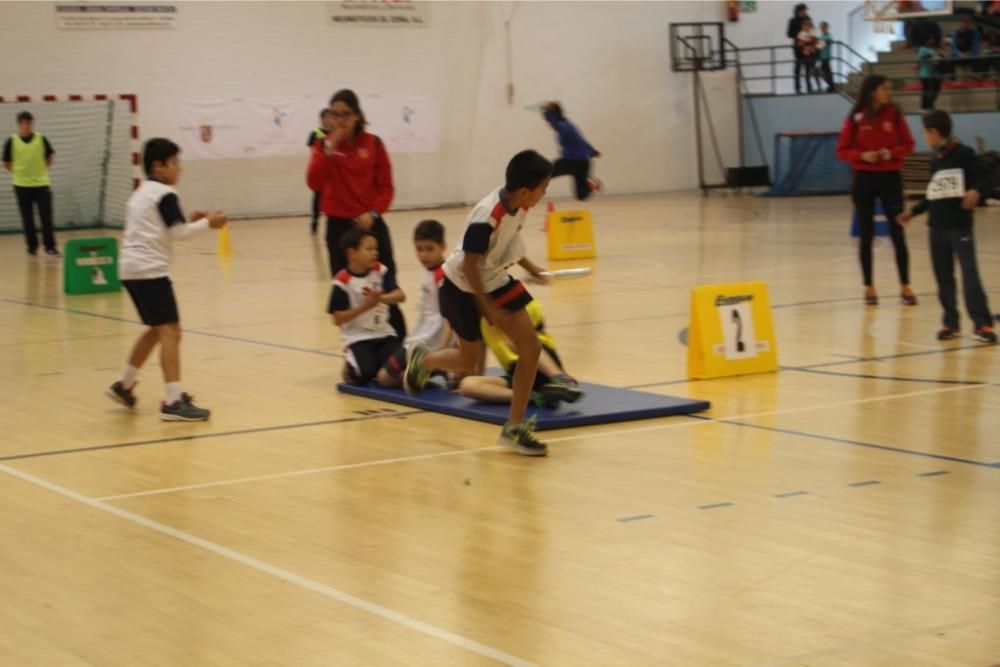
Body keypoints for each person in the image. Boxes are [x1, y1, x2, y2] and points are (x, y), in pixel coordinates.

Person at [403, 150, 555, 456]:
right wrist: (487, 308)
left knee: (531, 347)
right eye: (543, 188)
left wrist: (530, 267)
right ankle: (424, 361)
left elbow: (506, 244)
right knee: (467, 363)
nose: (545, 193)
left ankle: (514, 427)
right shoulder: (488, 215)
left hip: (493, 279)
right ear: (525, 190)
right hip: (460, 286)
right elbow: (469, 266)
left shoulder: (520, 205)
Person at [106, 138, 228, 420]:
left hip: (130, 268)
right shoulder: (165, 193)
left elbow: (164, 227)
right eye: (175, 164)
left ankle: (124, 385)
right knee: (172, 331)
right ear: (158, 167)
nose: (179, 169)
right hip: (150, 270)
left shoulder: (142, 192)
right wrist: (209, 223)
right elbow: (178, 234)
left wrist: (191, 220)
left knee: (156, 330)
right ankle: (173, 402)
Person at [307, 88, 405, 337]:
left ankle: (397, 338)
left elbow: (386, 188)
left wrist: (372, 213)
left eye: (345, 114)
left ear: (357, 115)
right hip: (339, 228)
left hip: (369, 224)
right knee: (346, 289)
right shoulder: (322, 146)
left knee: (385, 283)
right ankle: (356, 345)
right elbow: (314, 183)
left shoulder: (373, 144)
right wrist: (330, 149)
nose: (339, 120)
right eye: (334, 114)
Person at [897, 111, 996, 343]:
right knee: (944, 277)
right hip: (937, 228)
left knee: (970, 275)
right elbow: (934, 195)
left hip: (959, 226)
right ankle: (950, 323)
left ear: (934, 132)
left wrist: (977, 190)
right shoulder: (936, 160)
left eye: (925, 132)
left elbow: (991, 175)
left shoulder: (965, 154)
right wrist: (913, 211)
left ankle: (982, 324)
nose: (924, 136)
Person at [835, 75, 917, 306]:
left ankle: (905, 286)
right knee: (866, 234)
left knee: (898, 231)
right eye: (884, 88)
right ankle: (869, 287)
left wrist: (892, 153)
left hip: (890, 178)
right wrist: (862, 156)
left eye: (889, 88)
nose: (888, 92)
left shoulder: (895, 114)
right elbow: (842, 150)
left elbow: (908, 144)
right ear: (872, 91)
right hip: (864, 179)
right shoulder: (856, 116)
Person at [457, 299, 583, 408]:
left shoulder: (514, 307)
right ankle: (534, 398)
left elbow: (533, 334)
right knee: (467, 385)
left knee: (517, 343)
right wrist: (478, 376)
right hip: (518, 375)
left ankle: (560, 379)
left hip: (538, 361)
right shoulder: (481, 322)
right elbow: (481, 349)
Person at [328, 227, 408, 386]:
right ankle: (350, 363)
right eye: (369, 249)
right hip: (358, 338)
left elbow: (401, 296)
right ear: (353, 253)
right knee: (364, 374)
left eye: (376, 249)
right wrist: (365, 307)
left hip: (384, 334)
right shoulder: (342, 282)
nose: (375, 253)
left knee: (396, 368)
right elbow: (337, 319)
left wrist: (381, 298)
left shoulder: (381, 271)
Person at [3, 111, 58, 256]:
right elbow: (6, 163)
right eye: (24, 123)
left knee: (46, 217)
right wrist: (21, 173)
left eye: (29, 123)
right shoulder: (12, 141)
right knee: (27, 218)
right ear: (19, 124)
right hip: (21, 186)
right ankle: (32, 247)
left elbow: (49, 157)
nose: (27, 126)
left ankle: (50, 247)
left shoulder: (41, 139)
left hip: (41, 184)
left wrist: (38, 172)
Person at [406, 219, 453, 353]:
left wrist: (444, 346)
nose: (423, 255)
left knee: (385, 374)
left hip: (433, 340)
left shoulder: (442, 276)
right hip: (422, 336)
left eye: (429, 249)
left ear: (443, 247)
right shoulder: (431, 272)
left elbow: (450, 315)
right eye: (419, 249)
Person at [541, 102, 601, 200]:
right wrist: (593, 152)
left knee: (545, 173)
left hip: (570, 162)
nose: (549, 124)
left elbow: (554, 122)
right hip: (582, 163)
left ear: (554, 115)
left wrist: (547, 110)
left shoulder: (563, 126)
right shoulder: (569, 124)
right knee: (581, 196)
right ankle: (590, 185)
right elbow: (581, 140)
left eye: (549, 120)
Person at [306, 108, 335, 235]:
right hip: (320, 171)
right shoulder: (315, 133)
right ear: (322, 119)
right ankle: (315, 222)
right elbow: (311, 146)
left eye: (331, 117)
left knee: (333, 198)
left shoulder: (336, 133)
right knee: (317, 198)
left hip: (332, 172)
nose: (329, 119)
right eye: (326, 117)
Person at [786, 3, 812, 94]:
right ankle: (797, 88)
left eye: (804, 11)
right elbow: (789, 34)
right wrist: (800, 33)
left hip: (807, 46)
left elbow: (812, 30)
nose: (803, 12)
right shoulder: (793, 21)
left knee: (808, 67)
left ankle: (809, 88)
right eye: (802, 11)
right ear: (797, 11)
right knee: (798, 67)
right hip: (798, 47)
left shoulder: (808, 19)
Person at [795, 19, 821, 94]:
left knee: (812, 71)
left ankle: (816, 87)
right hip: (805, 56)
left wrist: (813, 47)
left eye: (808, 26)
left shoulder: (813, 34)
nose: (806, 27)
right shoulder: (800, 34)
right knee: (806, 72)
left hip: (813, 56)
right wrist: (806, 47)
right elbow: (799, 44)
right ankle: (809, 88)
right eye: (805, 26)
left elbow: (820, 43)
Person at [917, 35, 942, 110]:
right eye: (931, 39)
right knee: (927, 91)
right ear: (926, 40)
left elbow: (937, 59)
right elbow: (920, 58)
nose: (932, 41)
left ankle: (929, 105)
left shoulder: (932, 50)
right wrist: (932, 56)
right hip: (925, 74)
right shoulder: (922, 49)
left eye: (933, 39)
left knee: (936, 90)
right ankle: (924, 107)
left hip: (934, 74)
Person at [817, 21, 835, 93]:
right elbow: (819, 46)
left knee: (827, 71)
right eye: (822, 28)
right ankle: (829, 84)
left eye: (824, 27)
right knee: (823, 70)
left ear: (827, 28)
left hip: (826, 56)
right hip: (822, 56)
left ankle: (831, 85)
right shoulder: (821, 36)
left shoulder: (829, 36)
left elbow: (826, 43)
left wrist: (820, 44)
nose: (823, 29)